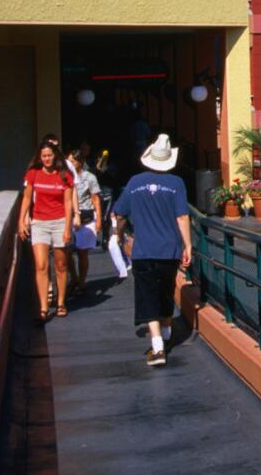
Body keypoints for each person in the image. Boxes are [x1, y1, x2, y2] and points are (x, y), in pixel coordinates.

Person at [112, 134, 191, 367]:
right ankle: (166, 333)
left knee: (147, 295)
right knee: (166, 291)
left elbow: (119, 213)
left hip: (143, 249)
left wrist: (119, 236)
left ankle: (157, 346)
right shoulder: (176, 183)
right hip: (168, 249)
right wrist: (188, 246)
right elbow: (182, 216)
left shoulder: (135, 183)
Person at [18, 139, 77, 321]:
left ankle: (60, 302)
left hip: (59, 221)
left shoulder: (64, 175)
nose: (46, 159)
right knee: (41, 265)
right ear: (39, 157)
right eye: (43, 156)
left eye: (49, 155)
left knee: (60, 265)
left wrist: (68, 227)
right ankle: (43, 307)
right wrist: (21, 221)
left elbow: (68, 203)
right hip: (39, 223)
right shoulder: (33, 173)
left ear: (55, 155)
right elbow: (27, 198)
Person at [66, 145, 103, 295]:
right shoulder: (64, 176)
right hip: (68, 217)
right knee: (67, 252)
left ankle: (82, 280)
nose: (70, 164)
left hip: (85, 217)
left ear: (80, 162)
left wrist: (99, 219)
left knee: (82, 252)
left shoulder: (90, 178)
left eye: (73, 161)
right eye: (68, 161)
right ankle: (73, 277)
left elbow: (96, 199)